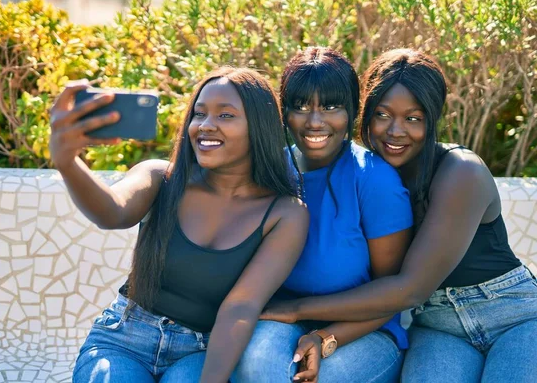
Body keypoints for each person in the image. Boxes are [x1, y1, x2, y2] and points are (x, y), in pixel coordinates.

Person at [262, 49, 537, 382]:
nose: (395, 131)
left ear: (431, 120)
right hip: (437, 325)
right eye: (382, 114)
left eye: (413, 118)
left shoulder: (460, 172)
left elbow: (410, 290)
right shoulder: (368, 174)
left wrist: (296, 310)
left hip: (512, 313)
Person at [48, 67, 309, 383]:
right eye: (199, 114)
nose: (205, 126)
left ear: (258, 126)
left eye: (225, 116)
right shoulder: (161, 178)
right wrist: (67, 162)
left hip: (201, 351)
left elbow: (240, 308)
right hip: (123, 339)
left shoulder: (285, 214)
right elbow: (112, 212)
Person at [232, 47, 413, 383]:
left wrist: (325, 336)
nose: (315, 122)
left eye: (331, 106)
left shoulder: (374, 179)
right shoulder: (270, 171)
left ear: (352, 111)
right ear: (284, 113)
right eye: (300, 107)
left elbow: (392, 295)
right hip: (279, 319)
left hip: (364, 329)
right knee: (258, 365)